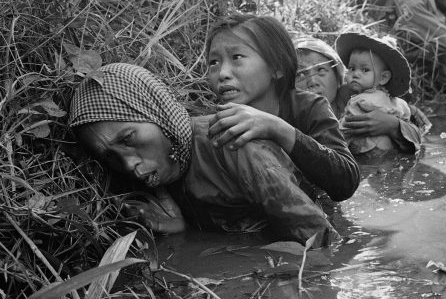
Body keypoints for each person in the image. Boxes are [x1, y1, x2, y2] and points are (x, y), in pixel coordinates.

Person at [68, 63, 338, 247]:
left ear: (157, 113)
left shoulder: (233, 146)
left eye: (128, 138)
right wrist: (181, 228)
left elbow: (321, 242)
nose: (128, 165)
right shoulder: (155, 172)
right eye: (109, 156)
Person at [204, 14, 360, 202]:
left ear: (276, 67)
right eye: (214, 62)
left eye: (237, 57)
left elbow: (346, 181)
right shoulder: (212, 121)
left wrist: (278, 129)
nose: (222, 73)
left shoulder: (309, 107)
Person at [294, 36, 429, 154]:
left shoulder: (364, 97)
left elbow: (419, 134)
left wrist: (392, 125)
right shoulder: (293, 117)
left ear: (338, 75)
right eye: (300, 74)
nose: (312, 82)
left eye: (321, 70)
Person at [335, 32, 412, 154]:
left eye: (365, 70)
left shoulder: (359, 101)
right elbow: (406, 116)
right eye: (351, 68)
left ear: (384, 77)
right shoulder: (398, 103)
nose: (355, 74)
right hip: (390, 151)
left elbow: (344, 130)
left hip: (366, 152)